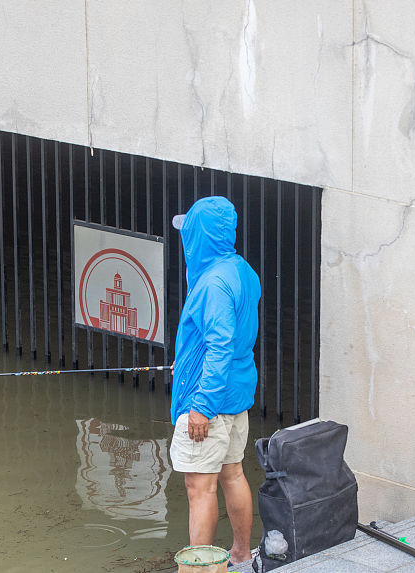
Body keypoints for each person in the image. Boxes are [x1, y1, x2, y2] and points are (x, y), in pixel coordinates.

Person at [169, 196, 261, 570]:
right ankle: (241, 553)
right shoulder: (242, 270)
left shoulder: (211, 284)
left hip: (211, 402)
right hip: (237, 395)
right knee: (233, 472)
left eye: (188, 230)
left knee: (199, 488)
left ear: (199, 235)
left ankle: (199, 569)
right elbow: (233, 337)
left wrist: (201, 405)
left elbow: (220, 345)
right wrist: (189, 361)